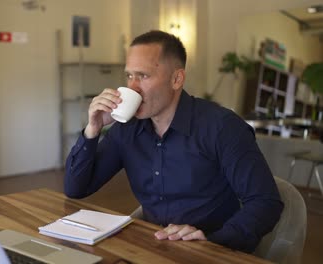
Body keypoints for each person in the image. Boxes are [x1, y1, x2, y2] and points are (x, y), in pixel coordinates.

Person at [64, 30, 284, 253]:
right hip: (152, 249)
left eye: (144, 76)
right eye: (129, 75)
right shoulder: (127, 129)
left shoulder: (223, 127)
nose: (132, 87)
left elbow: (266, 202)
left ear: (176, 79)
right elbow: (76, 188)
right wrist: (93, 128)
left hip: (210, 252)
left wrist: (212, 240)